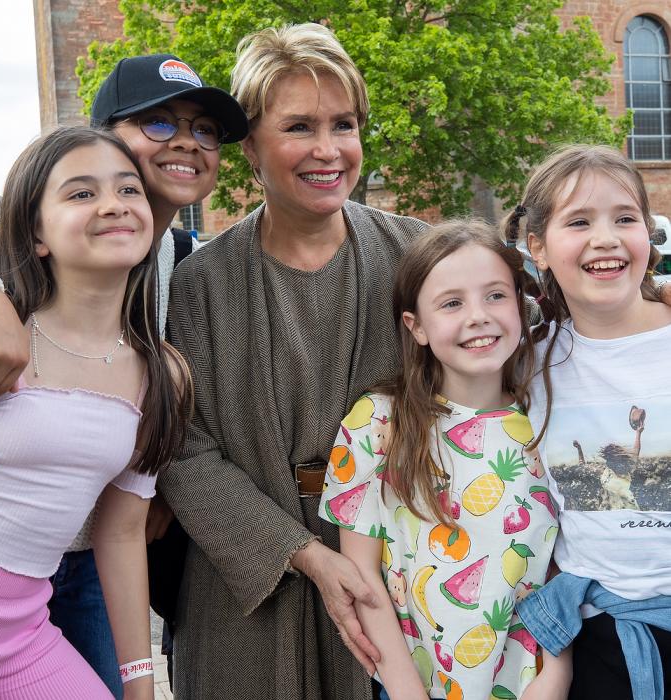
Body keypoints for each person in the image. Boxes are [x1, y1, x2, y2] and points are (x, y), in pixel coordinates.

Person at [160, 22, 428, 700]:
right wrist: (305, 554)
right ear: (249, 143)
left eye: (344, 124)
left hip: (400, 585)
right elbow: (186, 454)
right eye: (300, 127)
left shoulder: (420, 257)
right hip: (248, 599)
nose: (328, 150)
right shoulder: (199, 283)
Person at [44, 53, 249, 697]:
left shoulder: (177, 260)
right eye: (157, 123)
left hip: (91, 555)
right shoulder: (35, 248)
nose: (187, 139)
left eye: (204, 129)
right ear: (105, 139)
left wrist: (153, 481)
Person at [0, 125, 191, 699]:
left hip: (21, 632)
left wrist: (140, 684)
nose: (113, 205)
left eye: (128, 190)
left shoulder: (160, 376)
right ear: (36, 232)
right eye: (81, 193)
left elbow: (119, 534)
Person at [318, 220, 565, 699]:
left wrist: (557, 673)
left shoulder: (547, 412)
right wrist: (406, 691)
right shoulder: (377, 423)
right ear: (417, 327)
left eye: (495, 295)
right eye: (452, 303)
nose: (478, 316)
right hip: (417, 685)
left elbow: (564, 565)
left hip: (532, 682)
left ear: (520, 304)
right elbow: (363, 577)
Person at [504, 144, 671, 699]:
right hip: (599, 632)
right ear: (538, 247)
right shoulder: (527, 363)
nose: (606, 237)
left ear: (649, 234)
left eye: (625, 219)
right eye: (579, 222)